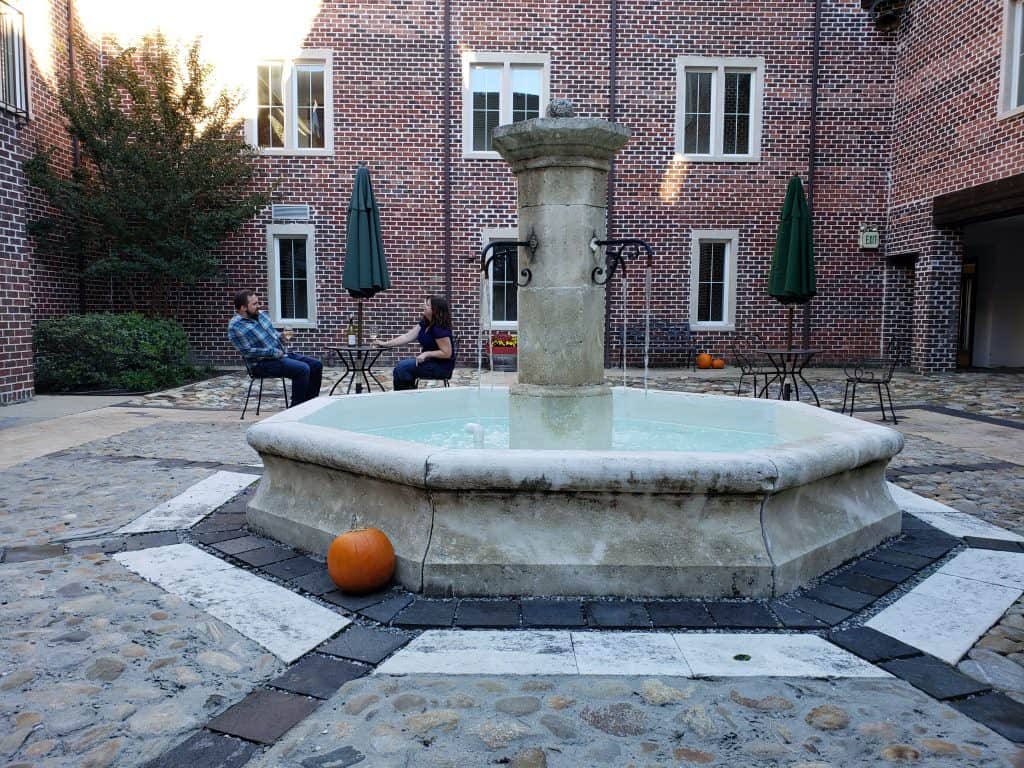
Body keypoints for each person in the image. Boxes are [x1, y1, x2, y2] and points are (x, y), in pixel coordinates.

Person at [227, 290, 323, 407]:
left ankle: (309, 406)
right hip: (261, 364)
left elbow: (273, 334)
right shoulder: (235, 327)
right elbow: (247, 352)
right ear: (243, 308)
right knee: (302, 369)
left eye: (258, 303)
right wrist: (273, 352)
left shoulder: (262, 315)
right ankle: (295, 410)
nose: (259, 306)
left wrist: (281, 336)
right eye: (254, 304)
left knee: (316, 365)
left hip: (281, 355)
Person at [376, 295, 455, 390]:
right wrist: (385, 343)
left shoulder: (439, 329)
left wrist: (426, 354)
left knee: (403, 367)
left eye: (427, 305)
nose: (423, 306)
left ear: (435, 310)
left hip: (441, 367)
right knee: (399, 369)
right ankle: (405, 397)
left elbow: (447, 353)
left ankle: (408, 398)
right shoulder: (426, 323)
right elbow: (407, 337)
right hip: (429, 363)